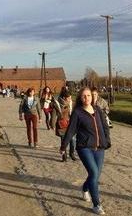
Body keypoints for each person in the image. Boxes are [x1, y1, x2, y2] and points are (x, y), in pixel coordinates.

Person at [61, 87, 111, 215]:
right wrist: (63, 146)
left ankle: (84, 188)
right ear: (80, 98)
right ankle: (96, 204)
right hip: (85, 148)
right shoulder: (78, 112)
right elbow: (71, 130)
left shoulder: (98, 110)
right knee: (94, 173)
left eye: (88, 95)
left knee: (95, 175)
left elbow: (105, 127)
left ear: (92, 97)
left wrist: (107, 141)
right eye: (84, 96)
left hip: (99, 148)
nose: (87, 98)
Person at [51, 90, 76, 161]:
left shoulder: (72, 104)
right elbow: (54, 115)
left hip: (71, 124)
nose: (70, 99)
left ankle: (72, 153)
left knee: (73, 141)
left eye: (71, 98)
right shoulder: (57, 104)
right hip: (62, 125)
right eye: (69, 98)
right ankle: (64, 156)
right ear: (64, 98)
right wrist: (52, 124)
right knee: (63, 141)